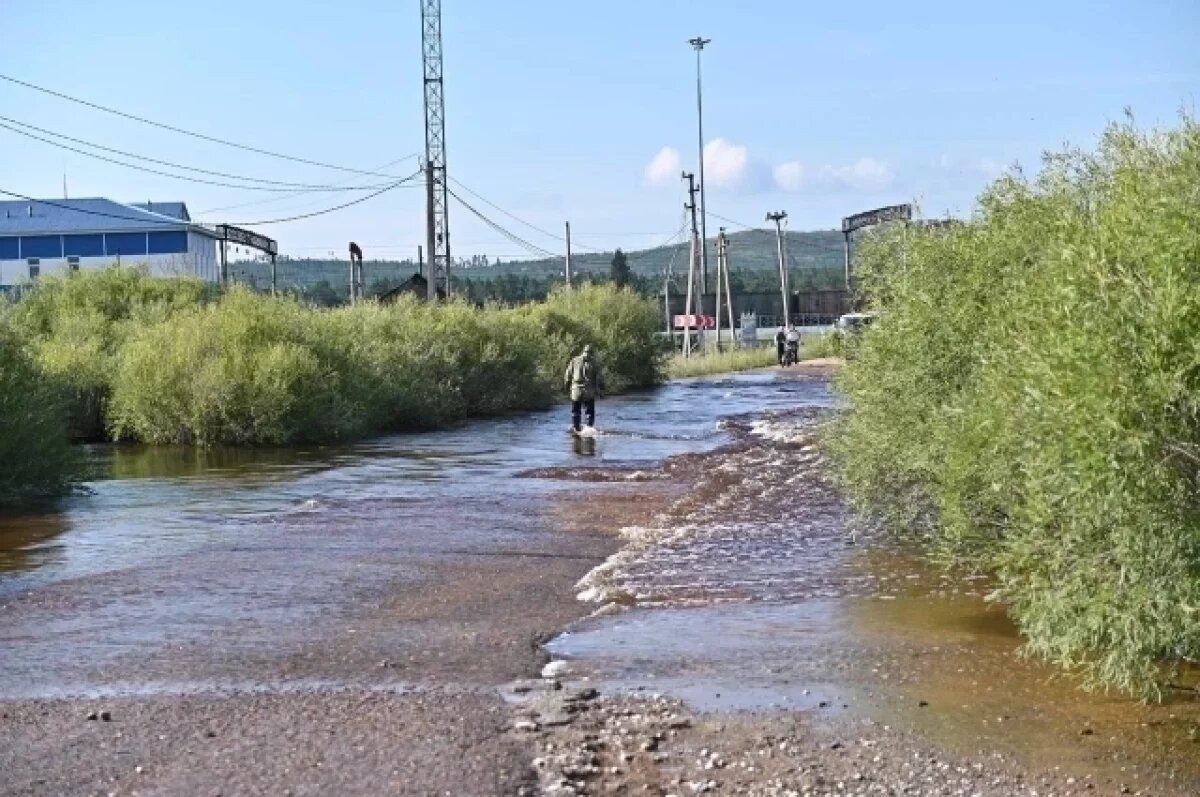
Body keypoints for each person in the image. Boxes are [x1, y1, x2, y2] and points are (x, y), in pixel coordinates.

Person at [564, 343, 602, 432]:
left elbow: (567, 375)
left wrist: (566, 387)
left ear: (583, 351)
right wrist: (600, 390)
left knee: (575, 411)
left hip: (576, 390)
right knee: (589, 412)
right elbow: (599, 379)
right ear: (592, 353)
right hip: (589, 390)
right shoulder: (594, 362)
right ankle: (589, 430)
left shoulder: (574, 360)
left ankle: (576, 429)